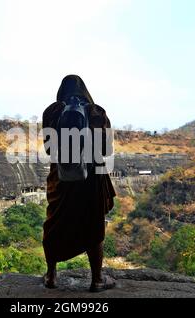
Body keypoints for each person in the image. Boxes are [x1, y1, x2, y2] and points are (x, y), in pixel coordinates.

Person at [42, 75, 117, 292]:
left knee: (53, 224)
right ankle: (96, 280)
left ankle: (51, 275)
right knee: (93, 226)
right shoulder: (97, 112)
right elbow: (106, 149)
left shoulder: (52, 111)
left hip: (61, 178)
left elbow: (49, 149)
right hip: (91, 179)